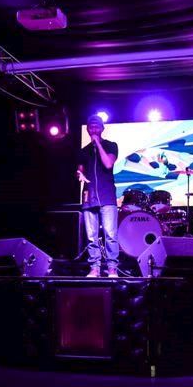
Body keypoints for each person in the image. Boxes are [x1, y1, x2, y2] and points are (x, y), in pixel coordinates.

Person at [77, 114, 120, 277]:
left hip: (107, 196)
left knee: (110, 235)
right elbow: (80, 170)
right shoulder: (83, 151)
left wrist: (98, 144)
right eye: (91, 127)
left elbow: (108, 164)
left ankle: (112, 268)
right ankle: (94, 268)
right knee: (91, 236)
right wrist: (79, 173)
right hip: (89, 196)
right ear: (87, 130)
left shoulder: (111, 145)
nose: (93, 129)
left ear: (102, 128)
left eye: (96, 126)